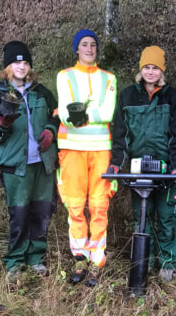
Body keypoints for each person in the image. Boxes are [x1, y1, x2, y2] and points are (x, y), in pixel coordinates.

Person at [0, 41, 59, 283]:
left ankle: (36, 258)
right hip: (16, 165)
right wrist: (1, 124)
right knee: (19, 213)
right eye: (16, 62)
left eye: (25, 62)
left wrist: (50, 131)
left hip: (43, 164)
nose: (21, 66)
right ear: (7, 66)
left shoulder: (42, 92)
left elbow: (56, 116)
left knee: (42, 211)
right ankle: (15, 262)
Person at [109, 45, 176, 282]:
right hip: (138, 168)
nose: (150, 72)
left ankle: (166, 263)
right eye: (146, 67)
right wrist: (115, 164)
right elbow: (120, 134)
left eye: (155, 68)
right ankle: (143, 262)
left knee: (165, 217)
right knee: (142, 216)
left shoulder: (172, 97)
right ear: (140, 69)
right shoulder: (127, 96)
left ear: (161, 71)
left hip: (165, 168)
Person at [56, 29, 117, 287]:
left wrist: (81, 113)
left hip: (101, 147)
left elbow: (108, 112)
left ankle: (96, 260)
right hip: (71, 147)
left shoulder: (109, 78)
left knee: (99, 205)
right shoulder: (64, 76)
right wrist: (74, 113)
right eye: (84, 44)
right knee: (75, 204)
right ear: (76, 49)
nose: (89, 48)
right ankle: (80, 257)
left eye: (93, 44)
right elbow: (65, 113)